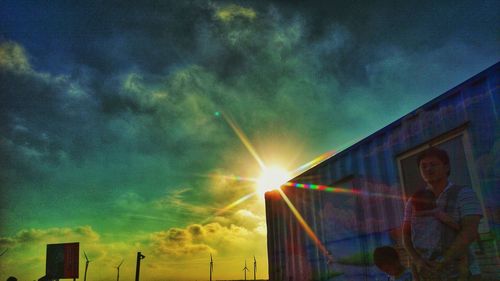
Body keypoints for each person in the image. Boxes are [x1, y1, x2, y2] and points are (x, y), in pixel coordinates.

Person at [403, 147, 483, 280]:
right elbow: (406, 237)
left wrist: (442, 261)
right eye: (424, 166)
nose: (428, 169)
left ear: (446, 167)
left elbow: (470, 231)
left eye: (433, 164)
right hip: (428, 274)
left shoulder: (464, 194)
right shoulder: (413, 201)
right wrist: (417, 260)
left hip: (462, 272)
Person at [409, 189, 468, 281]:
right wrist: (460, 228)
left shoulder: (414, 218)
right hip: (437, 249)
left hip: (421, 251)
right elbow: (449, 221)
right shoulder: (436, 213)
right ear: (432, 202)